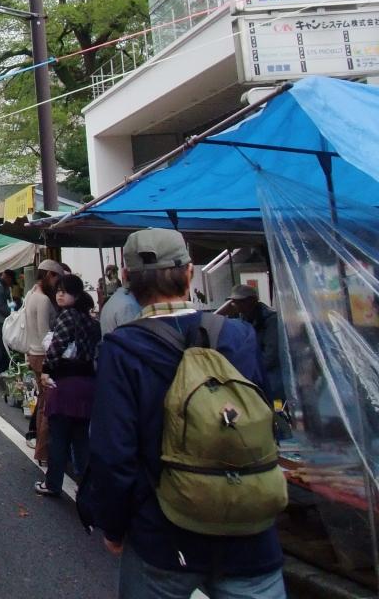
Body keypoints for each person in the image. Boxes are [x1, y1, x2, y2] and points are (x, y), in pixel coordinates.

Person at [81, 229, 285, 598]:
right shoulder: (239, 336)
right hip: (249, 530)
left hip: (163, 533)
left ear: (126, 280)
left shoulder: (122, 349)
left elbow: (113, 453)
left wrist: (113, 526)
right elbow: (266, 420)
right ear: (190, 273)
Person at [35, 277, 100, 498]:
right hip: (87, 385)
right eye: (58, 291)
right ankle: (88, 484)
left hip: (65, 385)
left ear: (77, 295)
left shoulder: (66, 317)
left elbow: (55, 349)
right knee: (82, 439)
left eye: (66, 292)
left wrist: (45, 370)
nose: (60, 295)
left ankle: (53, 484)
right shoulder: (92, 322)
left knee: (59, 437)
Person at [219, 285, 285, 405]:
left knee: (275, 409)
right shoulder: (242, 317)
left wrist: (251, 370)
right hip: (255, 375)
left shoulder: (270, 319)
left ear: (253, 300)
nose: (238, 306)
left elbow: (271, 354)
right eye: (235, 302)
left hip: (271, 378)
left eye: (242, 302)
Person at [24, 260, 62, 464]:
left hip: (32, 352)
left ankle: (41, 447)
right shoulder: (44, 300)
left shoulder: (31, 294)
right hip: (42, 355)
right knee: (47, 405)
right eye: (56, 278)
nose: (58, 285)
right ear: (49, 275)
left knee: (42, 405)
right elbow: (44, 333)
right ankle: (44, 452)